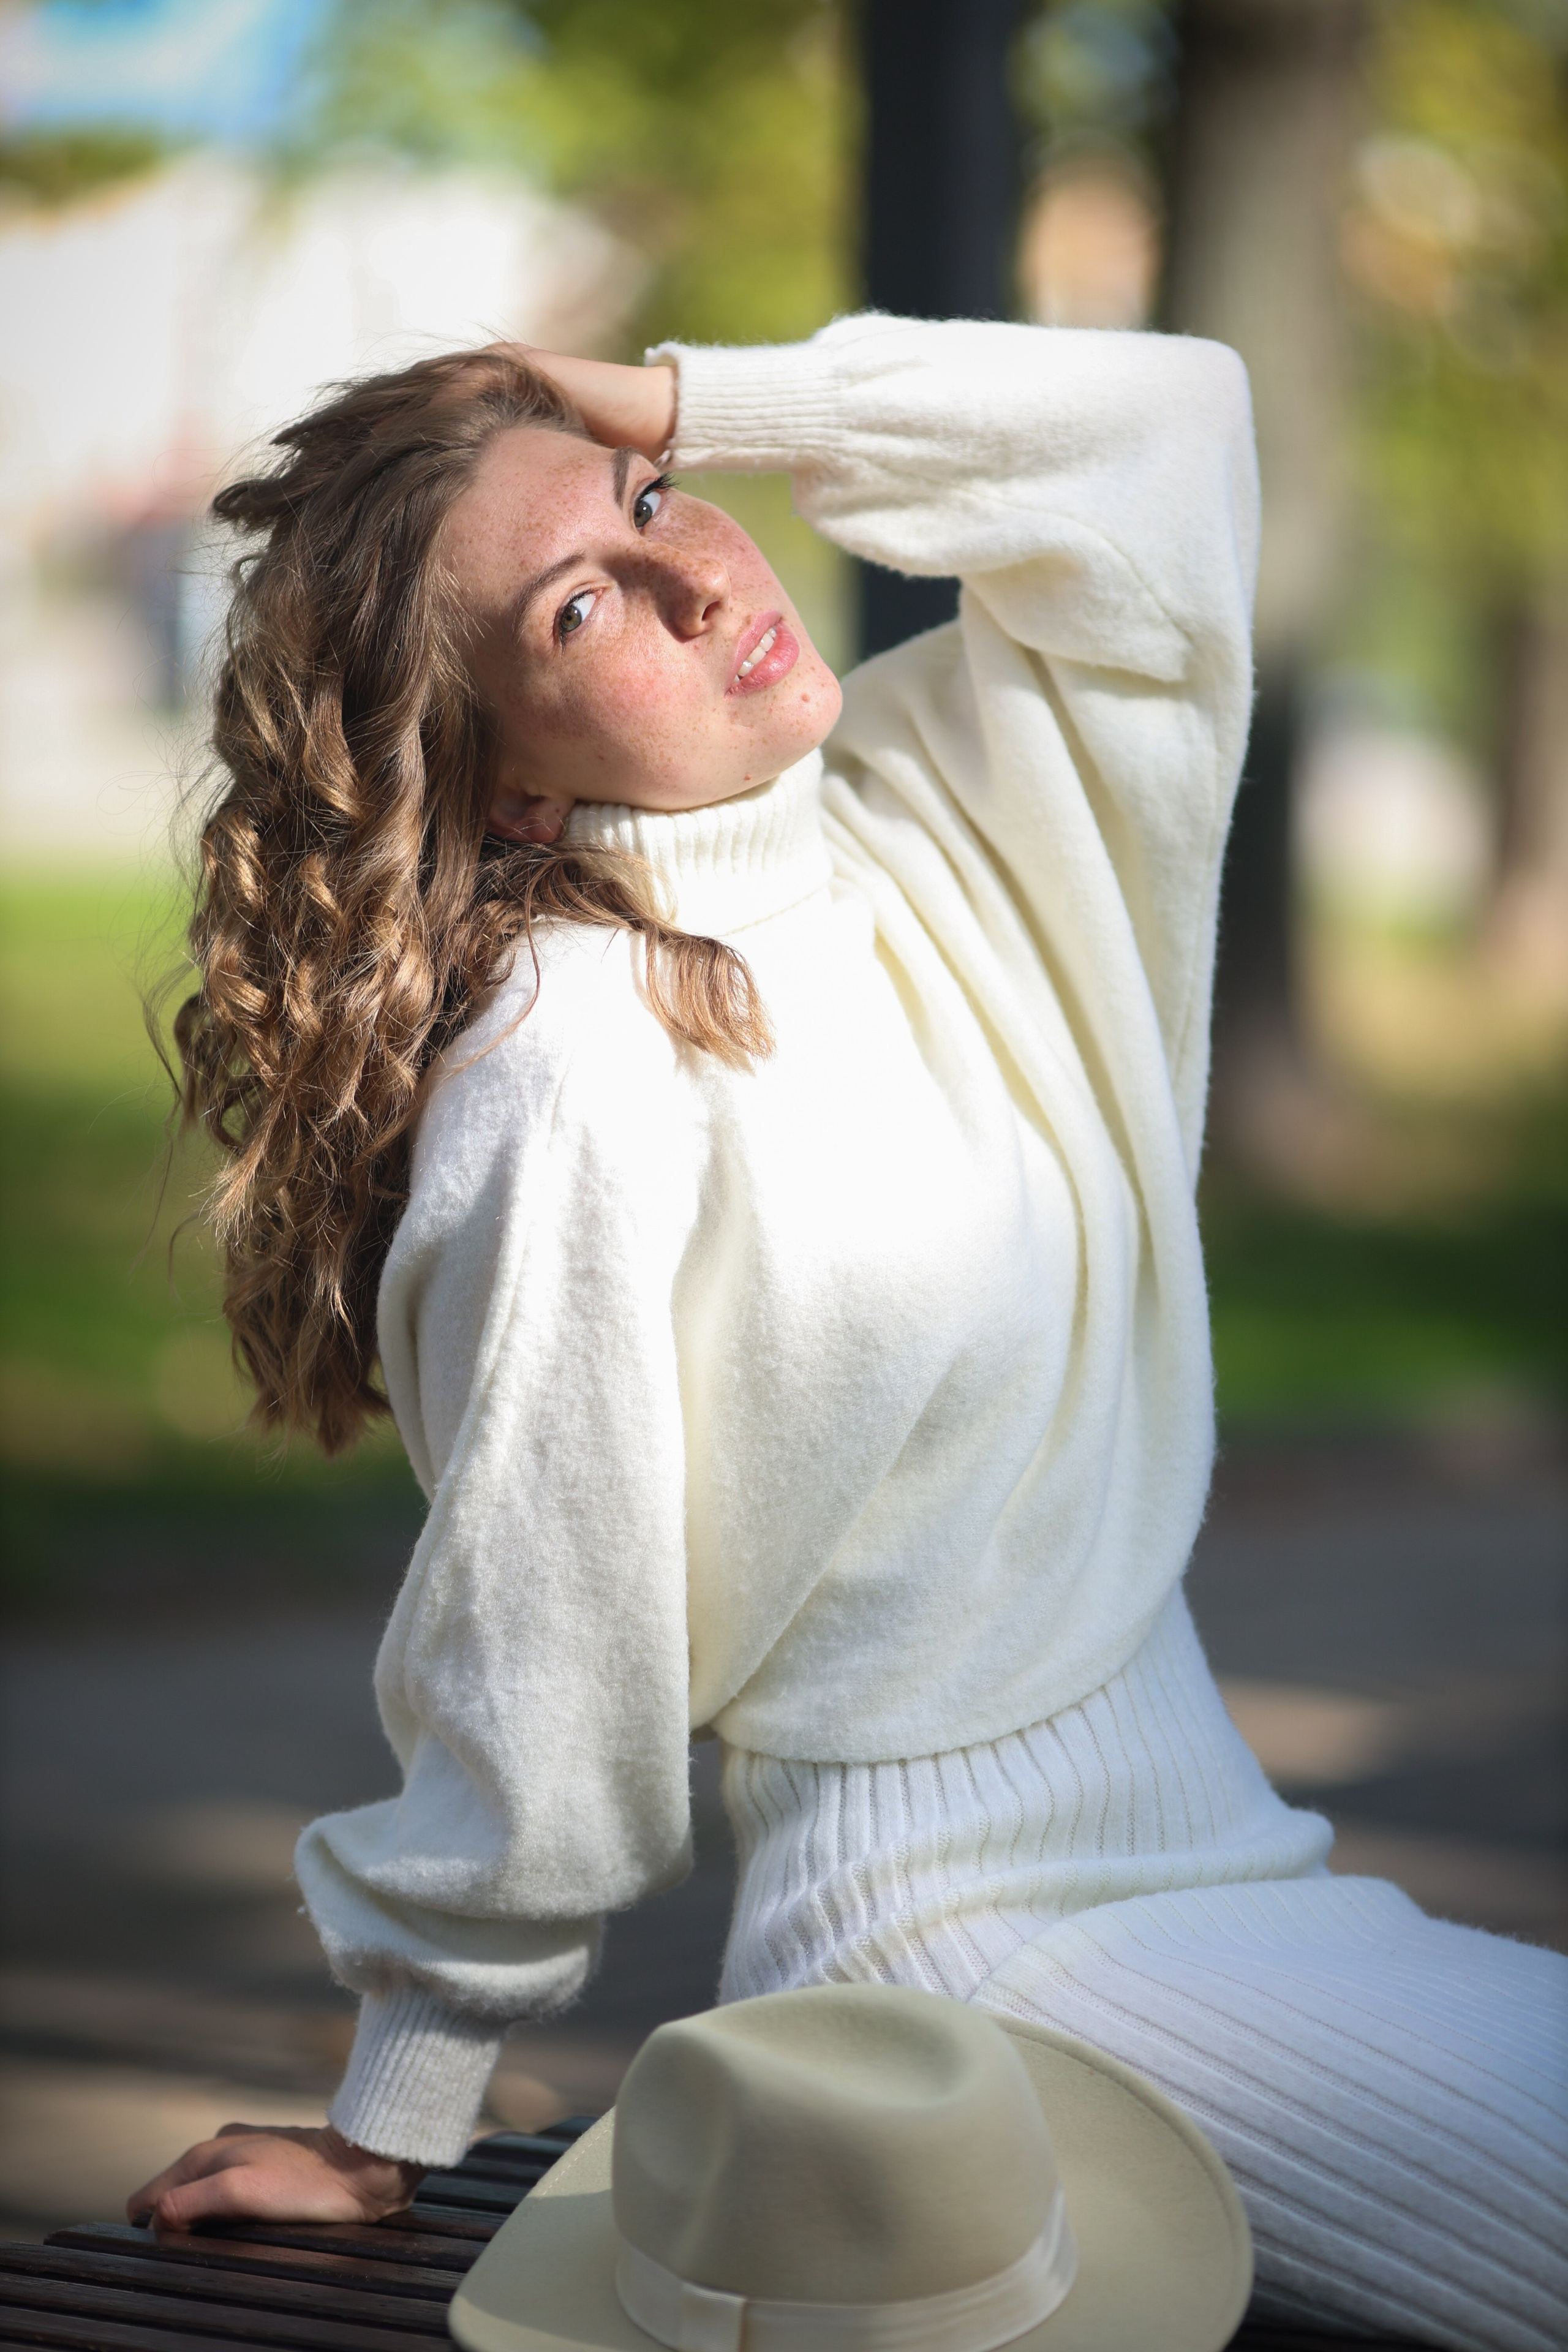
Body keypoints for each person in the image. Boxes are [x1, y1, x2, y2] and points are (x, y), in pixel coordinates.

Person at [129, 319, 1566, 2349]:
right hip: (965, 1968)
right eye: (582, 605)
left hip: (1235, 1859)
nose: (704, 573)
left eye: (652, 509)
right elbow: (548, 1626)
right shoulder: (575, 1076)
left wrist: (703, 399)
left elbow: (1177, 432)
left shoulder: (962, 795)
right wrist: (398, 2111)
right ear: (508, 789)